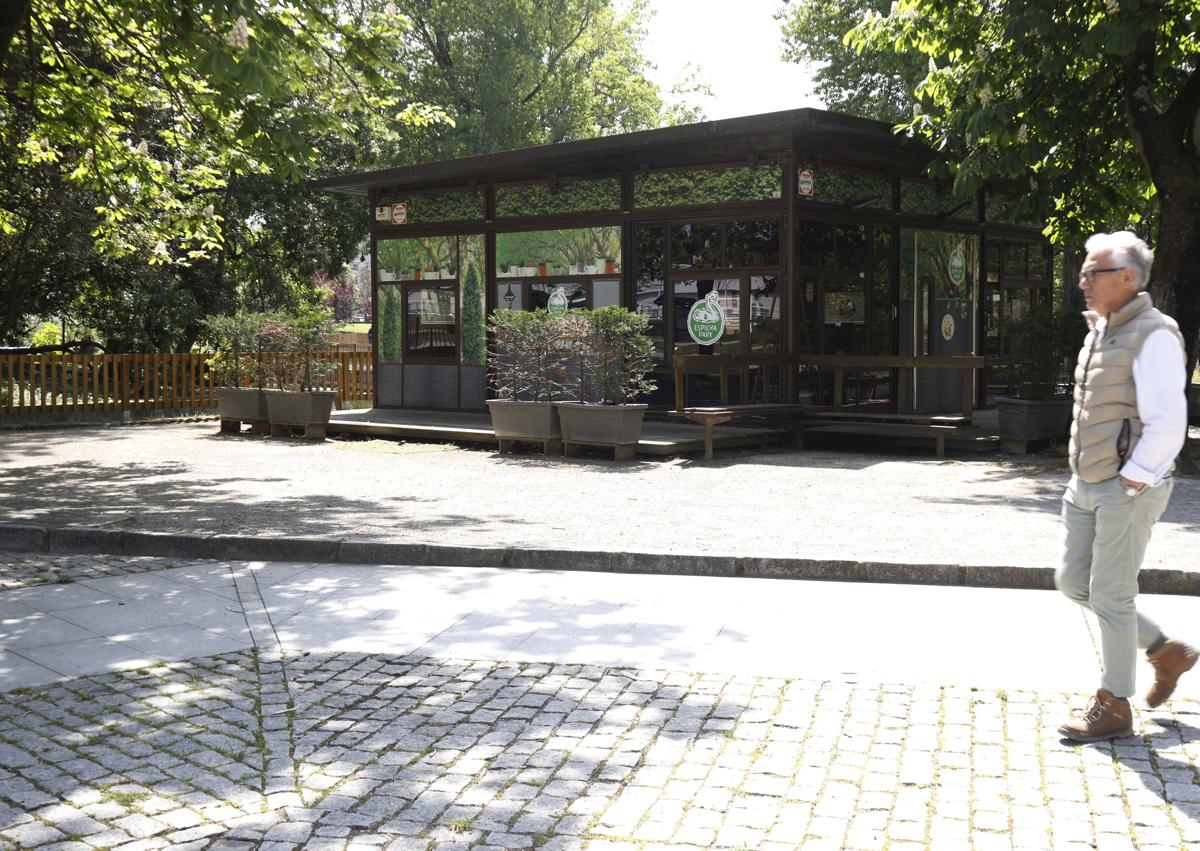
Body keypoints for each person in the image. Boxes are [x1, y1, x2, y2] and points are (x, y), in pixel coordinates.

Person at [1055, 231, 1195, 743]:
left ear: (1127, 279)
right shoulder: (1102, 329)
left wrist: (1130, 482)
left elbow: (1168, 422)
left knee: (1111, 595)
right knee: (1074, 583)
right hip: (1087, 481)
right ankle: (1165, 650)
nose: (1083, 280)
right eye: (1084, 271)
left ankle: (1114, 704)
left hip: (1127, 485)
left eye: (1094, 272)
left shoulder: (1155, 334)